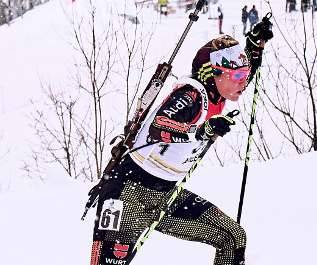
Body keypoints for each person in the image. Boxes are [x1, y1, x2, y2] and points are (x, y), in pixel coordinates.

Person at [89, 23, 275, 265]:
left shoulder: (219, 93)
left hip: (165, 193)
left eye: (245, 73)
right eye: (238, 76)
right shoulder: (191, 95)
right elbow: (160, 126)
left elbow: (240, 75)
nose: (244, 81)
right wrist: (200, 131)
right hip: (128, 193)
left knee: (232, 237)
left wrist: (253, 46)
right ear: (213, 74)